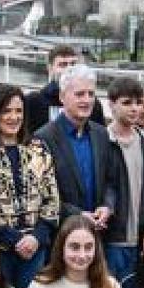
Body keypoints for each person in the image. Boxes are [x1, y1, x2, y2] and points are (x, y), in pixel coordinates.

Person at [0, 84, 60, 288]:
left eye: (18, 111)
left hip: (36, 248)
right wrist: (15, 239)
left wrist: (36, 237)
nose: (13, 117)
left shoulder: (39, 148)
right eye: (6, 111)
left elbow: (52, 198)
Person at [32, 65, 119, 231]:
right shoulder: (43, 138)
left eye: (91, 94)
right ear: (62, 97)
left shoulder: (101, 134)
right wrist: (76, 214)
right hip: (62, 234)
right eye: (79, 94)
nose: (86, 100)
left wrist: (107, 206)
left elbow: (110, 180)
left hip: (98, 232)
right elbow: (40, 194)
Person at [104, 77, 144, 282]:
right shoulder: (101, 140)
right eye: (127, 103)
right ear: (111, 105)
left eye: (139, 103)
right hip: (113, 238)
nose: (135, 108)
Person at [25, 44, 80, 135]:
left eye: (73, 64)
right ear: (50, 68)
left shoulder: (90, 104)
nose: (69, 69)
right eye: (63, 65)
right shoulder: (34, 102)